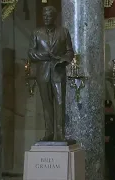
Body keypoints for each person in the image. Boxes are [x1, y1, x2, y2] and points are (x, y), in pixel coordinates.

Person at [28, 6, 74, 141]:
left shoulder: (64, 32)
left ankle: (60, 134)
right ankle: (49, 132)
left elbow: (70, 51)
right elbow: (31, 53)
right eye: (44, 16)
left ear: (54, 17)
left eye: (49, 16)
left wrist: (63, 60)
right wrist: (46, 55)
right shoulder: (36, 33)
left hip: (58, 72)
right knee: (46, 103)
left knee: (60, 103)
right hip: (43, 73)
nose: (46, 18)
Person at [105, 100, 115, 180]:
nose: (107, 109)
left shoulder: (113, 119)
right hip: (101, 143)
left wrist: (110, 138)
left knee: (111, 164)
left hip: (110, 144)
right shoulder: (101, 118)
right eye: (106, 108)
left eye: (108, 107)